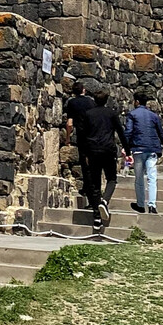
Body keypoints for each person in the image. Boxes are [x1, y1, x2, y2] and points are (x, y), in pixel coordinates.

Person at [83, 88, 129, 230]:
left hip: (93, 150)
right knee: (111, 179)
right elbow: (121, 133)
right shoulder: (111, 114)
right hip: (108, 150)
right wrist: (128, 151)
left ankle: (97, 217)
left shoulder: (88, 114)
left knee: (95, 184)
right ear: (106, 100)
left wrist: (85, 153)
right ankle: (105, 201)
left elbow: (84, 134)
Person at [124, 90, 163, 214]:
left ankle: (140, 204)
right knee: (152, 177)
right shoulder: (153, 116)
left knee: (139, 178)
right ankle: (152, 205)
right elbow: (161, 133)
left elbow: (128, 132)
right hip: (152, 149)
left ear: (137, 102)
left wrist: (126, 148)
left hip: (138, 149)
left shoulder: (132, 114)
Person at [64, 79, 96, 215]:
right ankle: (93, 193)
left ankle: (89, 193)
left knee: (85, 167)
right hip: (94, 136)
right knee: (93, 167)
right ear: (83, 90)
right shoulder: (91, 102)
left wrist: (67, 138)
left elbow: (70, 123)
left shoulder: (71, 103)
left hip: (82, 137)